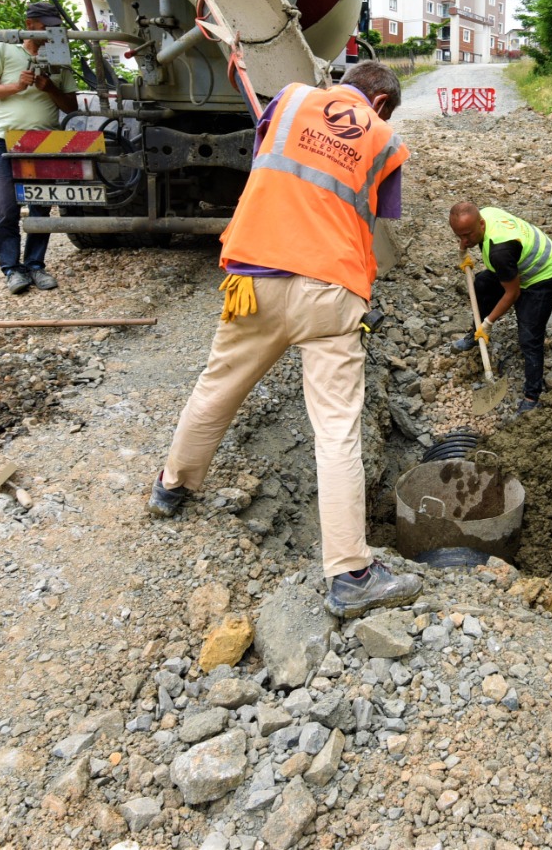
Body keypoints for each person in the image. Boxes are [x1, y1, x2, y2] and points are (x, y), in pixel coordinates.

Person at [147, 61, 423, 619]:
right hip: (330, 289)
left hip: (256, 278)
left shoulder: (292, 99)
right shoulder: (385, 139)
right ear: (381, 104)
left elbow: (266, 160)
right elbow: (372, 218)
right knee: (337, 430)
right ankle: (350, 574)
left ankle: (173, 486)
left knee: (217, 387)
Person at [0, 1, 80, 293]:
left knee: (41, 206)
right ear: (30, 25)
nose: (50, 31)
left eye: (55, 26)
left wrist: (50, 88)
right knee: (7, 207)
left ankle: (35, 266)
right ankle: (11, 269)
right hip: (5, 139)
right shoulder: (3, 49)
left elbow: (71, 106)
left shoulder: (60, 57)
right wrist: (16, 86)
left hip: (44, 142)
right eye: (46, 26)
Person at [448, 203, 552, 414]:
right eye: (459, 236)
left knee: (529, 336)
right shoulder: (484, 216)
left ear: (481, 224)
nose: (464, 241)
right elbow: (468, 238)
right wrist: (462, 252)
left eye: (467, 235)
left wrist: (488, 323)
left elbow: (513, 293)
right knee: (481, 284)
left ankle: (532, 397)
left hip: (545, 276)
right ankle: (475, 335)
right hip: (518, 266)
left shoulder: (500, 251)